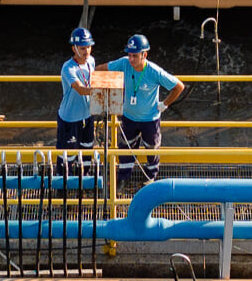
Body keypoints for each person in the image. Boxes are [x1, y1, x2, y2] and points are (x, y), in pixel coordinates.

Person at [106, 33, 185, 183]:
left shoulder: (154, 71)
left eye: (135, 56)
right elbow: (103, 68)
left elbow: (179, 86)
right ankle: (123, 179)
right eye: (129, 55)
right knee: (126, 149)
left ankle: (149, 178)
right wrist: (87, 75)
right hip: (129, 118)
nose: (131, 59)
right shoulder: (124, 63)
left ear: (144, 55)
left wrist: (164, 104)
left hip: (150, 120)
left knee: (152, 149)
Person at [55, 27, 98, 166]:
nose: (87, 51)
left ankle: (85, 177)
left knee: (87, 152)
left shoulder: (91, 61)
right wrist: (103, 91)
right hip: (70, 119)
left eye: (88, 47)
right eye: (82, 48)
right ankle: (62, 179)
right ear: (74, 48)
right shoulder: (68, 68)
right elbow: (80, 89)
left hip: (87, 117)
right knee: (67, 157)